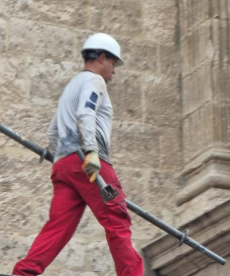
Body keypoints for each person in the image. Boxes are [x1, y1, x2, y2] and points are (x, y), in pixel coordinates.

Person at [12, 33, 144, 276]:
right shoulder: (95, 81)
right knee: (117, 220)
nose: (114, 71)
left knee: (58, 227)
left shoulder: (72, 86)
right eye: (113, 63)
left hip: (64, 165)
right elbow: (86, 113)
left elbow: (53, 131)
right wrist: (91, 152)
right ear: (102, 58)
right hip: (90, 164)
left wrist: (64, 156)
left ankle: (24, 272)